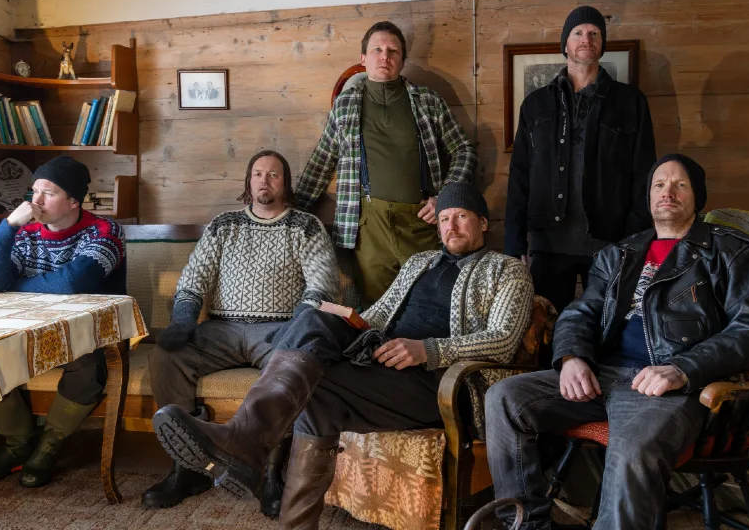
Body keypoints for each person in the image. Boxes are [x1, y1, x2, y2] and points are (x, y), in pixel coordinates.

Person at [151, 181, 534, 529]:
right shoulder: (421, 263)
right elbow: (377, 316)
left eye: (461, 217)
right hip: (383, 365)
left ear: (483, 223)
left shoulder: (506, 271)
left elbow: (503, 340)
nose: (451, 226)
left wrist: (428, 350)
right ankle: (268, 477)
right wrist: (341, 319)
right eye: (445, 218)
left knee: (314, 382)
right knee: (313, 322)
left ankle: (247, 443)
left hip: (439, 382)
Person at [486, 153, 749, 530]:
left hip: (665, 387)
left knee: (632, 448)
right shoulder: (619, 254)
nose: (668, 192)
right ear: (648, 196)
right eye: (659, 185)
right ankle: (526, 524)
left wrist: (682, 368)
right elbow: (582, 312)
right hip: (601, 375)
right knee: (504, 398)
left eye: (680, 184)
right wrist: (572, 357)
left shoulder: (733, 251)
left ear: (697, 196)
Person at [141, 150, 339, 516]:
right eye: (258, 173)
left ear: (285, 183)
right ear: (248, 181)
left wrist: (295, 328)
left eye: (274, 174)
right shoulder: (224, 224)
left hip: (279, 330)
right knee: (166, 355)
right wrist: (183, 319)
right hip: (222, 328)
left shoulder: (306, 226)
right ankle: (188, 468)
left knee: (298, 367)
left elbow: (322, 286)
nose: (265, 180)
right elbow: (195, 277)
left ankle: (270, 474)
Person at [0, 156, 126, 488]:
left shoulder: (105, 230)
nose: (35, 201)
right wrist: (8, 226)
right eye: (34, 191)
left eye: (48, 193)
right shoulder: (24, 232)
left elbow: (72, 283)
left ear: (73, 201)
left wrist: (11, 287)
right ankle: (18, 442)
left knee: (88, 368)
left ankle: (49, 443)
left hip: (89, 334)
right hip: (28, 332)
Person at [295, 20, 478, 307]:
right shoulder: (345, 104)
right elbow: (321, 163)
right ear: (363, 58)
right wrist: (294, 214)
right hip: (367, 228)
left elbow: (464, 150)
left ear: (402, 61)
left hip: (421, 223)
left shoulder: (428, 101)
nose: (385, 56)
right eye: (377, 50)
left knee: (428, 305)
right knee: (375, 311)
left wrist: (445, 198)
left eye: (393, 51)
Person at [505, 5, 657, 316]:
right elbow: (520, 175)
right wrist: (514, 244)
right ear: (565, 43)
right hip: (548, 242)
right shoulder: (535, 104)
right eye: (578, 33)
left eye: (594, 33)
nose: (586, 39)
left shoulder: (630, 103)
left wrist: (633, 238)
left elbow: (644, 173)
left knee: (606, 329)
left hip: (609, 244)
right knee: (547, 330)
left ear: (602, 43)